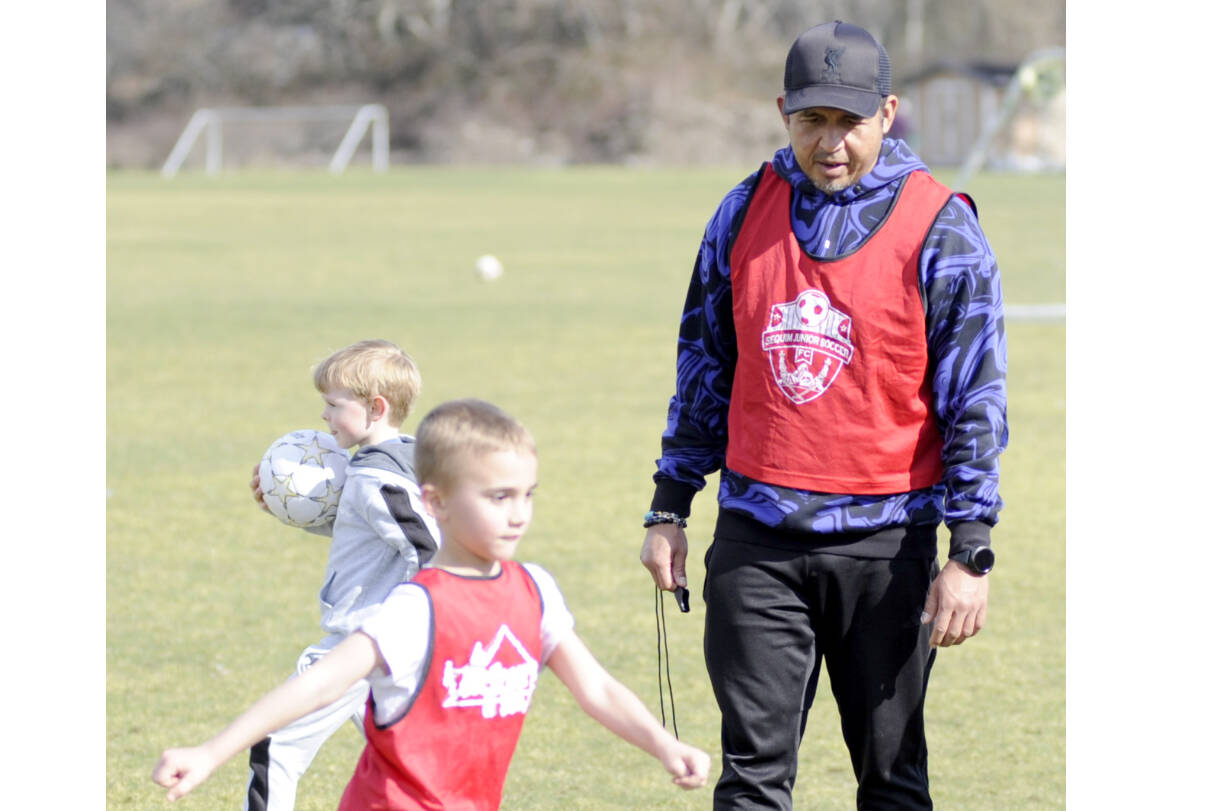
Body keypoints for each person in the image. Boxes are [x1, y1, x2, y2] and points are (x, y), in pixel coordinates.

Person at [639, 20, 1006, 811]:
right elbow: (702, 366)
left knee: (893, 782)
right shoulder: (743, 210)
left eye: (850, 121)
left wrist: (970, 549)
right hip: (757, 539)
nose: (830, 142)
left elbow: (975, 398)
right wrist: (669, 506)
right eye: (812, 120)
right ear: (784, 112)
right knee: (752, 781)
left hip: (889, 548)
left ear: (888, 113)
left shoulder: (942, 225)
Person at [154, 398, 712, 808]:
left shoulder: (535, 591)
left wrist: (664, 746)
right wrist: (211, 752)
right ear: (435, 501)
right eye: (498, 497)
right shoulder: (415, 607)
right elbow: (319, 684)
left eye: (527, 495)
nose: (518, 514)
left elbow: (597, 689)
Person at [244, 339, 440, 811]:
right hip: (386, 650)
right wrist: (289, 507)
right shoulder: (401, 459)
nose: (325, 415)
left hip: (359, 645)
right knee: (410, 768)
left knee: (276, 743)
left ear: (375, 408)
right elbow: (367, 530)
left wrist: (437, 618)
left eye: (334, 405)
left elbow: (429, 548)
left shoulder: (376, 478)